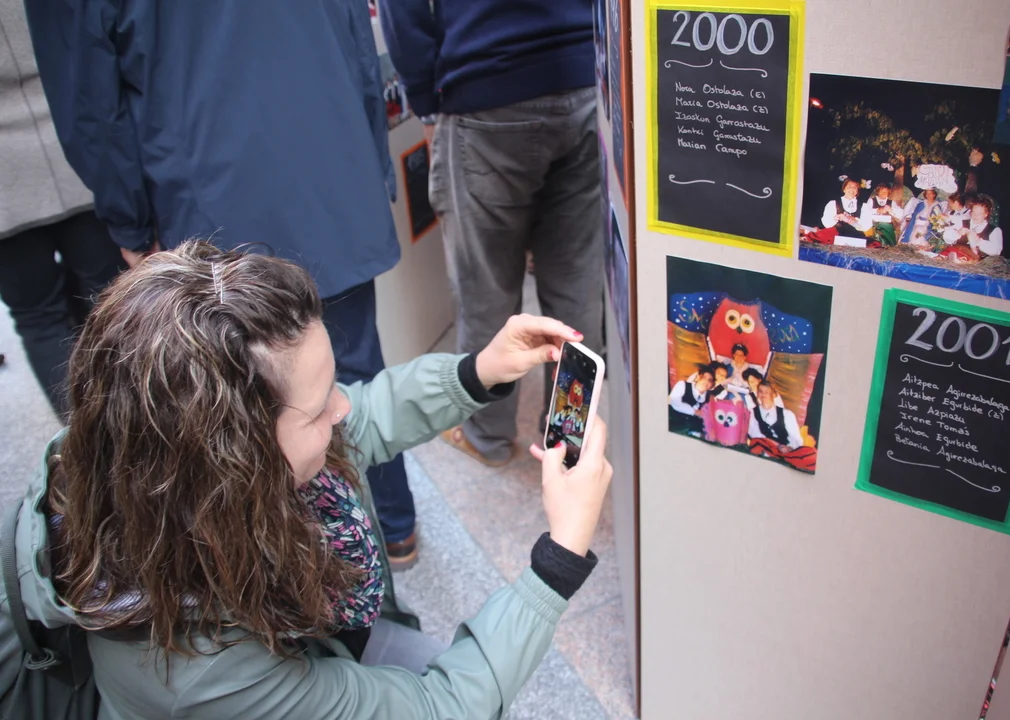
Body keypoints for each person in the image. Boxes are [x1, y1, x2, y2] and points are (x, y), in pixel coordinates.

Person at [0, 241, 613, 718]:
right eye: (318, 408)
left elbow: (364, 415)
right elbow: (440, 708)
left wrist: (478, 372)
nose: (341, 408)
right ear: (236, 459)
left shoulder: (147, 453)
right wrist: (558, 558)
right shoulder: (201, 672)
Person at [26, 1, 422, 566]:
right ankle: (388, 532)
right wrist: (368, 157)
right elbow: (358, 41)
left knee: (240, 413)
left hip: (209, 192)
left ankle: (299, 571)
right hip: (325, 163)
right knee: (344, 372)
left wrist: (130, 222)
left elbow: (88, 101)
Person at [378, 0, 604, 468]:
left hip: (485, 89)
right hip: (585, 77)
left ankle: (489, 438)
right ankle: (567, 446)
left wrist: (426, 102)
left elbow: (403, 11)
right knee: (578, 287)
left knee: (487, 290)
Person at [0, 0, 123, 417]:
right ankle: (140, 423)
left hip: (6, 186)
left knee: (38, 317)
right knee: (110, 297)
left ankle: (80, 434)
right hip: (75, 145)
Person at [747, 382, 817, 473]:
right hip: (765, 448)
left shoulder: (787, 414)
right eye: (760, 391)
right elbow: (755, 435)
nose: (763, 394)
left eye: (767, 392)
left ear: (773, 394)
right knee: (759, 444)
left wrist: (789, 448)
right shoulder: (751, 413)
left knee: (811, 453)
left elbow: (797, 439)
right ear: (757, 393)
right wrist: (776, 446)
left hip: (788, 453)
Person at [940, 194, 1003, 262]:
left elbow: (997, 252)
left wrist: (979, 241)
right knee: (943, 257)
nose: (975, 216)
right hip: (956, 253)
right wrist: (957, 233)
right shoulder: (962, 223)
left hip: (977, 263)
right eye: (973, 212)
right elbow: (946, 237)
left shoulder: (994, 230)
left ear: (986, 214)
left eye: (979, 214)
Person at [805, 179, 867, 244]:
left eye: (854, 187)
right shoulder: (833, 203)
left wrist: (855, 220)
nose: (851, 189)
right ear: (844, 189)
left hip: (855, 236)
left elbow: (865, 226)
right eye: (849, 187)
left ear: (857, 191)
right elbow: (826, 224)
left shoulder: (864, 206)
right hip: (836, 234)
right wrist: (835, 218)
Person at [669, 363, 719, 436]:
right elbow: (674, 402)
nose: (707, 381)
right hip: (673, 424)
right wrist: (695, 412)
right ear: (698, 377)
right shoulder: (683, 385)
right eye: (704, 377)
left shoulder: (709, 399)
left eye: (710, 380)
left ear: (712, 385)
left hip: (693, 433)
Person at [860, 183, 902, 247]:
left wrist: (891, 210)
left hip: (887, 225)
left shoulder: (891, 202)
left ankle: (888, 245)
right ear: (878, 192)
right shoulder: (871, 200)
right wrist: (878, 210)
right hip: (873, 225)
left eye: (885, 192)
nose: (883, 193)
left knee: (887, 227)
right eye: (881, 191)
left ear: (888, 193)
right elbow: (865, 212)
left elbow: (900, 214)